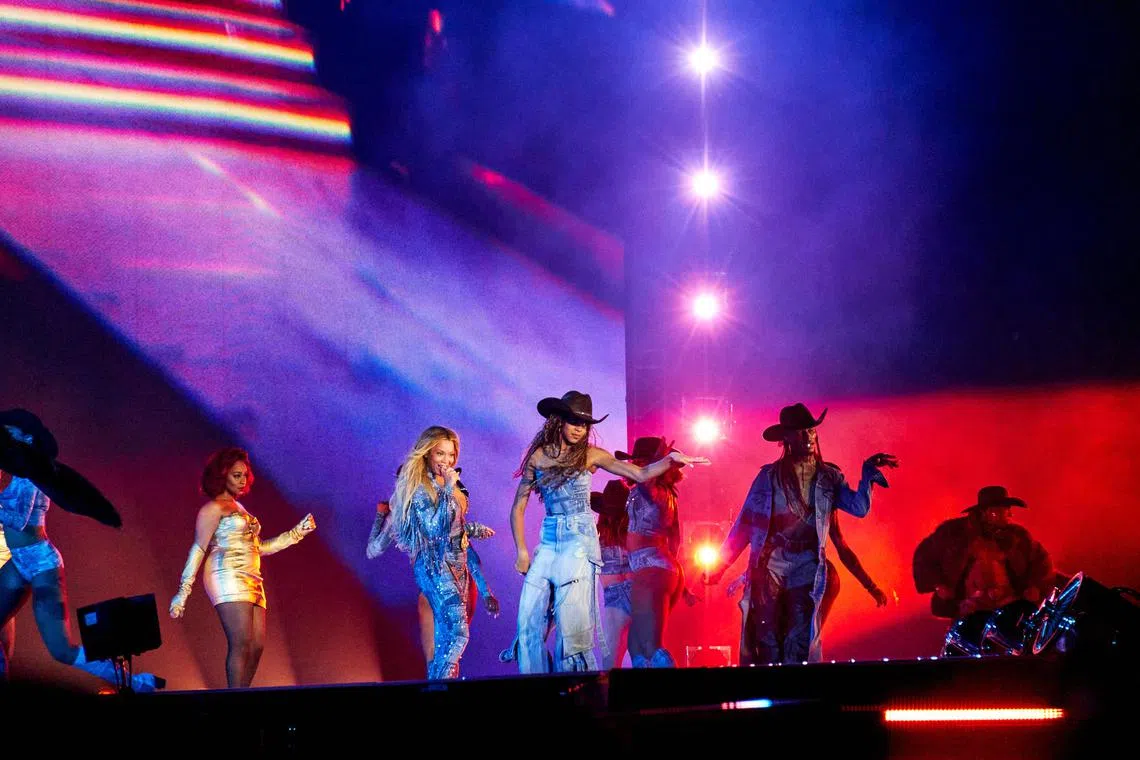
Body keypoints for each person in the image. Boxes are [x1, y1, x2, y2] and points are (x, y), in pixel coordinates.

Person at [509, 390, 709, 673]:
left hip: (579, 542)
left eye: (584, 424)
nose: (579, 428)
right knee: (528, 620)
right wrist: (521, 551)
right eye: (573, 421)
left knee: (572, 628)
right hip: (549, 539)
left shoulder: (591, 455)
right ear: (559, 421)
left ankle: (573, 686)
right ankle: (536, 685)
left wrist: (670, 460)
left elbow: (639, 474)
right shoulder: (539, 457)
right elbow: (518, 506)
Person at [704, 403, 897, 664]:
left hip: (807, 564)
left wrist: (868, 474)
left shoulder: (829, 477)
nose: (808, 436)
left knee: (799, 638)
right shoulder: (768, 477)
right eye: (800, 431)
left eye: (811, 430)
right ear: (786, 437)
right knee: (768, 638)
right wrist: (719, 567)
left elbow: (858, 509)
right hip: (772, 563)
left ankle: (795, 686)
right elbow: (744, 526)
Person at [0, 408, 161, 691]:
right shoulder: (19, 474)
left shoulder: (33, 477)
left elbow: (18, 520)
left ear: (27, 437)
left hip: (41, 564)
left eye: (9, 434)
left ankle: (136, 681)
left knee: (62, 649)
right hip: (20, 562)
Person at [169, 447, 315, 688]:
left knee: (256, 646)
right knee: (241, 642)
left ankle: (242, 695)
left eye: (245, 475)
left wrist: (297, 533)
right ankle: (235, 701)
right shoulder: (213, 509)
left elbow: (260, 548)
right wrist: (182, 593)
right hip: (226, 573)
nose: (243, 480)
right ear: (222, 475)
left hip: (252, 577)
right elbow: (198, 549)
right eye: (236, 475)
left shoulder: (241, 509)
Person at [365, 426, 485, 679]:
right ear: (427, 453)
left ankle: (441, 691)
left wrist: (472, 530)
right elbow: (429, 531)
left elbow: (454, 529)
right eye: (440, 454)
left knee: (448, 650)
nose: (447, 461)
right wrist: (381, 516)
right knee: (451, 642)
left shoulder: (455, 485)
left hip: (461, 572)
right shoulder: (417, 490)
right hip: (435, 573)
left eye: (451, 455)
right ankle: (437, 691)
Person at [726, 512, 889, 665]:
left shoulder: (822, 502)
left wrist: (870, 586)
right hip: (797, 577)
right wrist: (746, 576)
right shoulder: (785, 503)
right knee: (787, 639)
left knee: (799, 640)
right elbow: (771, 551)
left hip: (817, 579)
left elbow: (842, 548)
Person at [620, 436, 701, 668]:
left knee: (650, 646)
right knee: (636, 648)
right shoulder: (666, 493)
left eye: (638, 461)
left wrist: (660, 460)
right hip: (660, 569)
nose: (633, 465)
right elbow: (675, 539)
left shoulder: (652, 489)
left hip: (651, 568)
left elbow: (645, 480)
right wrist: (683, 587)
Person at [913, 485, 1052, 620]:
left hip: (1009, 606)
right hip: (969, 608)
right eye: (1001, 511)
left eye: (1007, 511)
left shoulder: (1018, 537)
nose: (1008, 515)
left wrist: (1035, 586)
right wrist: (939, 585)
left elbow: (1041, 560)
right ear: (986, 512)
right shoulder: (953, 534)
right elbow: (923, 557)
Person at [591, 479, 632, 669]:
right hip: (639, 593)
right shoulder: (634, 531)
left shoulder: (596, 536)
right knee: (646, 658)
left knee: (610, 666)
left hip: (615, 597)